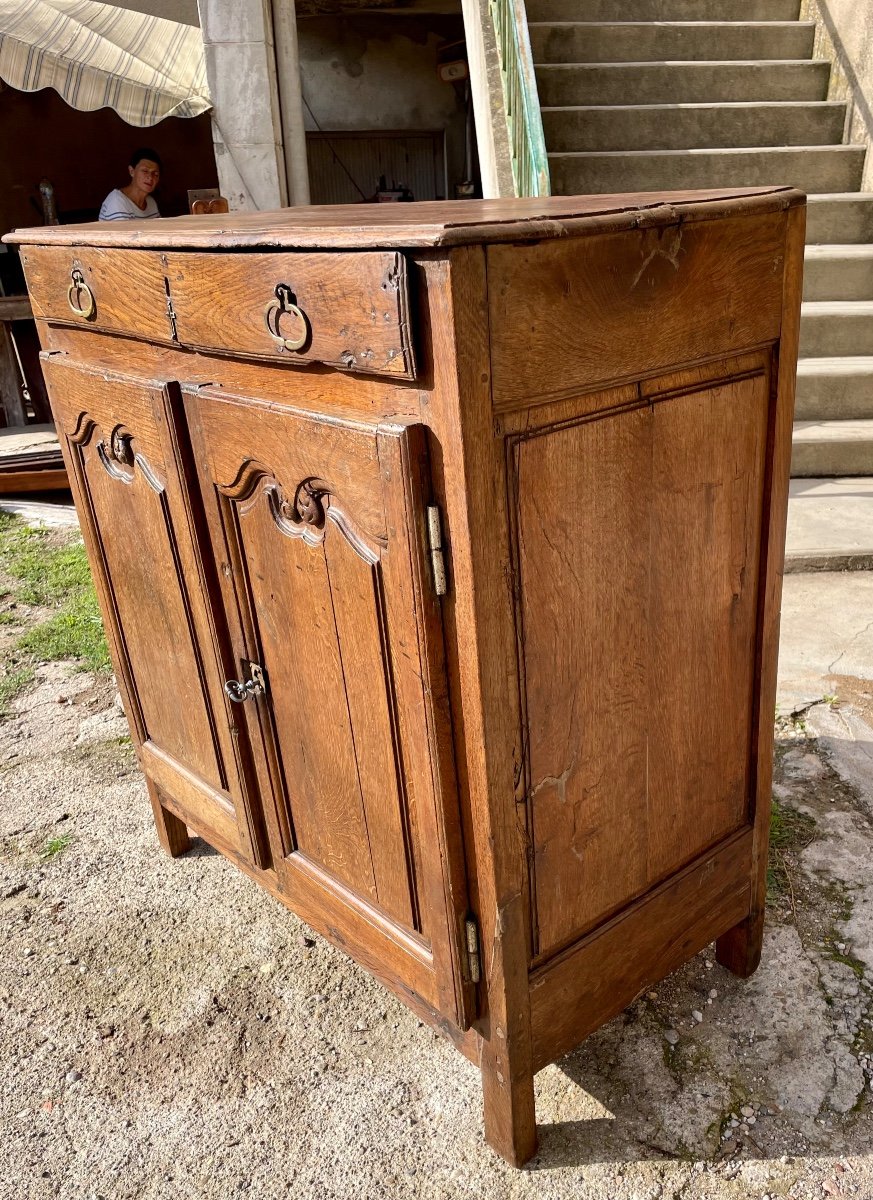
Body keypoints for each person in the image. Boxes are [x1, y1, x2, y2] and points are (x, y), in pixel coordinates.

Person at [98, 149, 162, 221]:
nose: (150, 177)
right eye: (145, 171)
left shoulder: (151, 203)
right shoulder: (117, 201)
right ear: (132, 171)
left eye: (155, 174)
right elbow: (124, 232)